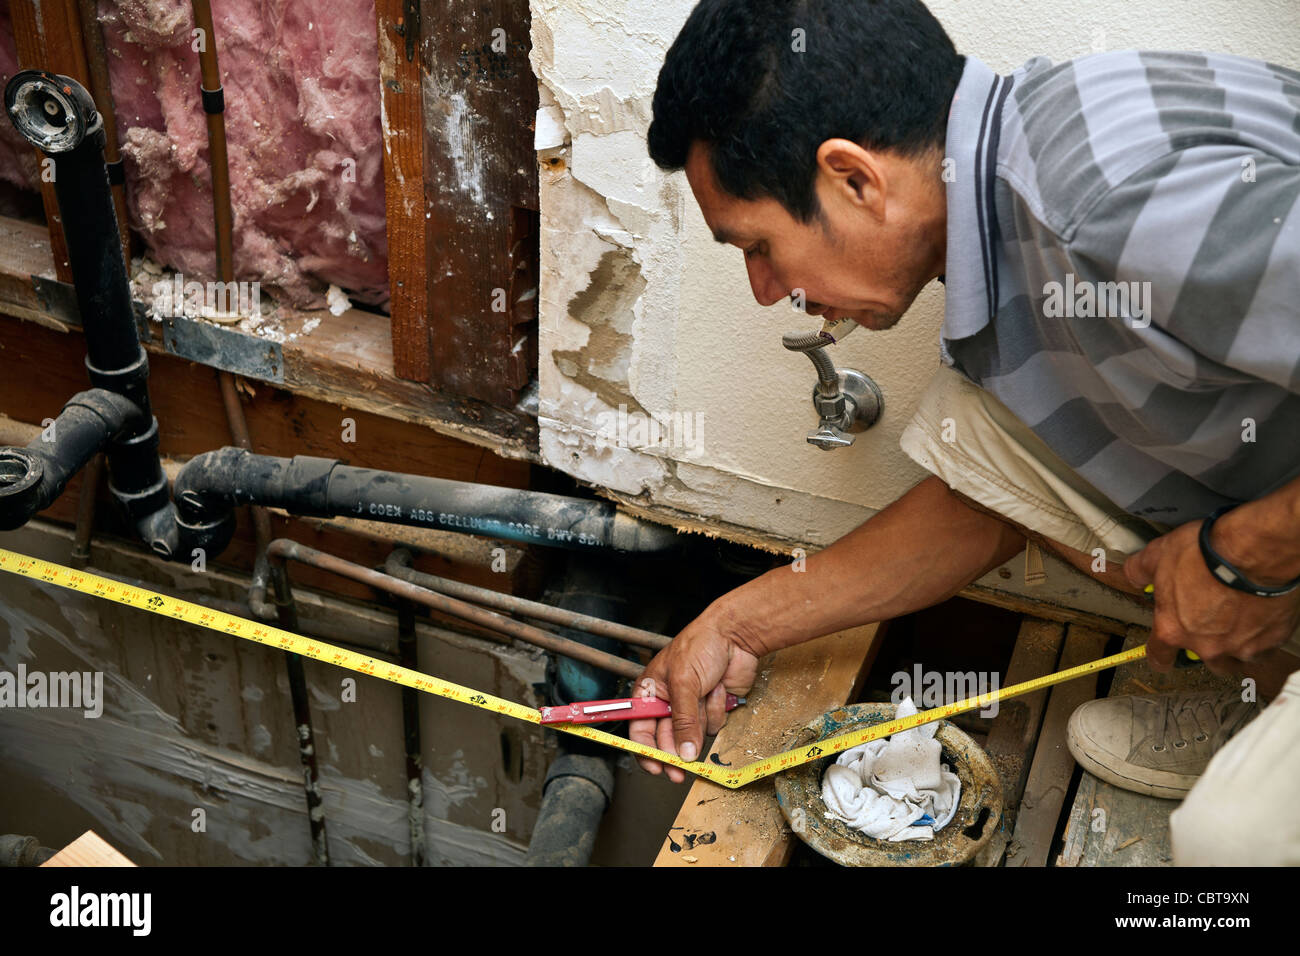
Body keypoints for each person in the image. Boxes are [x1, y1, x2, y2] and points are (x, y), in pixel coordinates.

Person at [631, 0, 1300, 865]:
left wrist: (1241, 558)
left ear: (855, 180)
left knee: (1228, 846)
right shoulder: (1022, 179)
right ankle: (1262, 687)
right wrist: (738, 626)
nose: (766, 290)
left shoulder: (1107, 202)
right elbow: (994, 492)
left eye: (757, 246)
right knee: (980, 422)